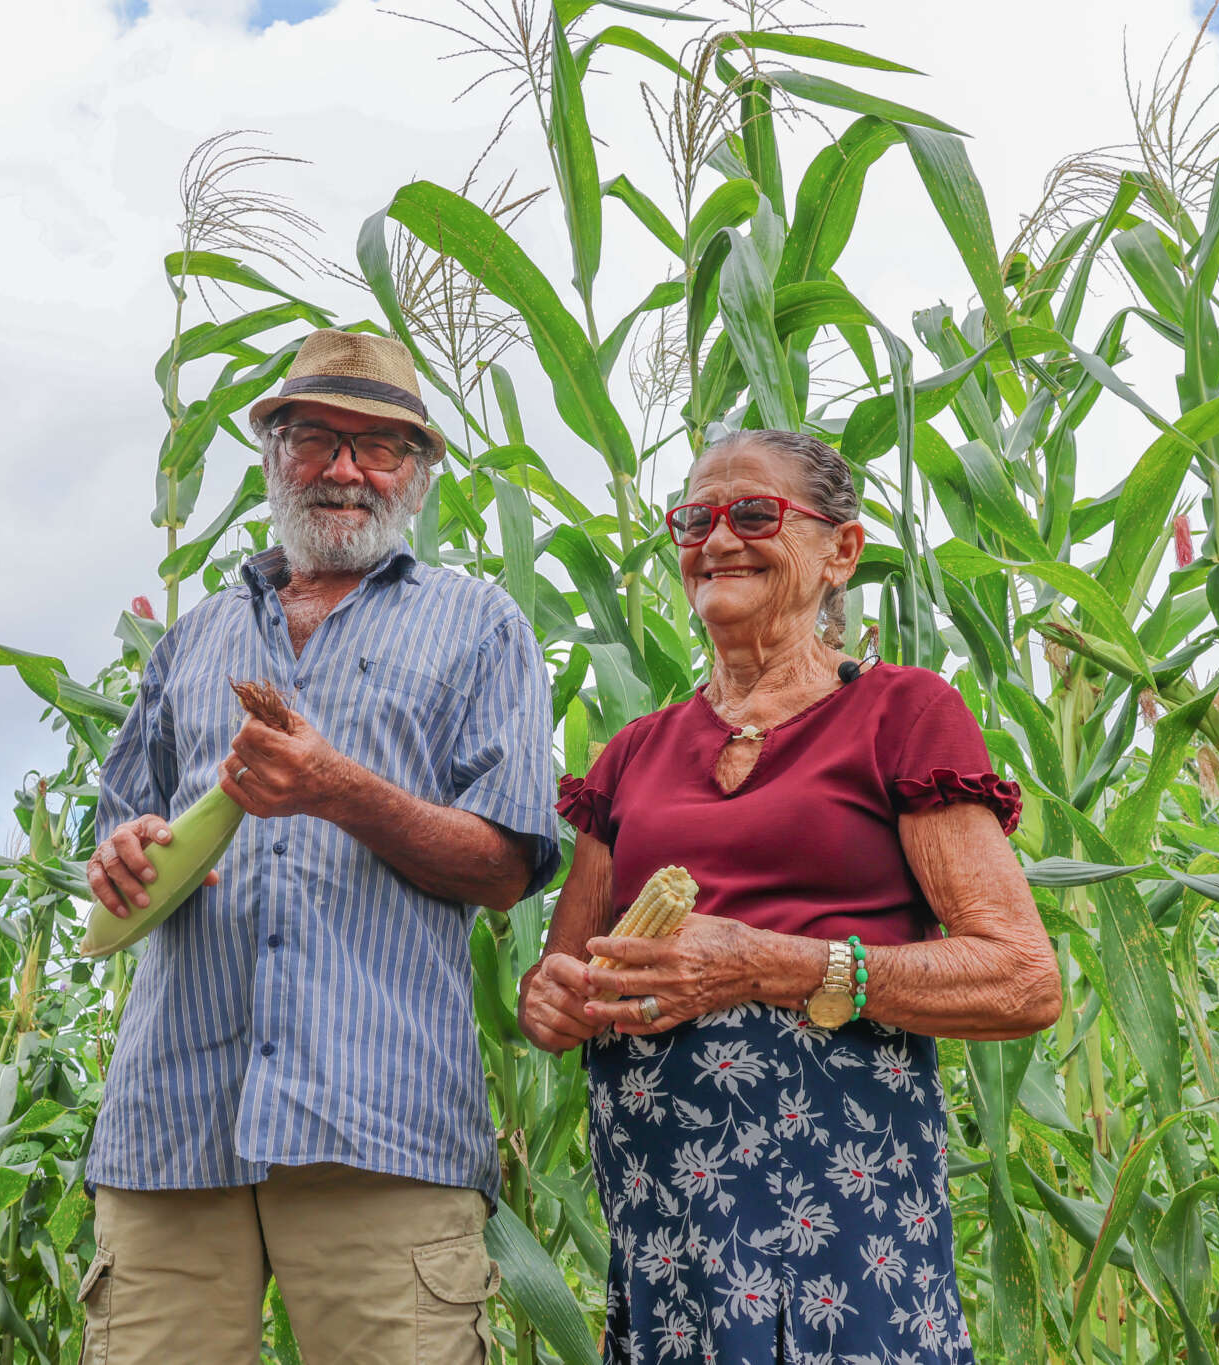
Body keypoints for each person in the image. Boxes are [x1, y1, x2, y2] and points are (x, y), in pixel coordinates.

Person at [517, 427, 1061, 1363]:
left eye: (755, 513)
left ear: (838, 550)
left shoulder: (901, 714)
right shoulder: (633, 755)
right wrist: (552, 997)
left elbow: (1020, 978)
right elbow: (563, 985)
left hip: (844, 1213)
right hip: (670, 1223)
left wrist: (767, 966)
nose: (717, 539)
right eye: (695, 518)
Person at [77, 329, 561, 1364]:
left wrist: (339, 791)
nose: (345, 469)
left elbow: (506, 867)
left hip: (378, 1124)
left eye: (380, 446)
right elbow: (116, 820)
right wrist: (117, 850)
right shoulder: (193, 638)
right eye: (315, 438)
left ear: (419, 473)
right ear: (272, 453)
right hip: (171, 1121)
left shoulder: (480, 627)